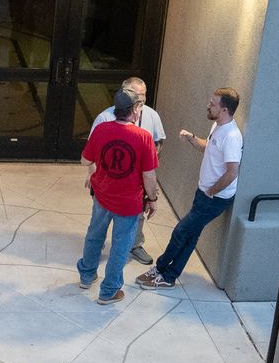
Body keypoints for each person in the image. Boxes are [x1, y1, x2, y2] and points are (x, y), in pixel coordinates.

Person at [137, 87, 244, 291]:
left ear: (224, 110)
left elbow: (232, 172)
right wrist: (191, 138)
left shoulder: (231, 136)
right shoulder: (218, 126)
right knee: (190, 235)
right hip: (204, 192)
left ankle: (161, 270)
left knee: (181, 232)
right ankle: (168, 275)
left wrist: (211, 191)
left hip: (214, 198)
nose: (208, 105)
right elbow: (208, 146)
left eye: (213, 103)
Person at [76, 88, 160, 304]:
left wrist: (100, 165)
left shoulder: (102, 129)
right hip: (128, 203)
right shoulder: (143, 137)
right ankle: (109, 291)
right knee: (120, 246)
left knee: (94, 235)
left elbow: (85, 161)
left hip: (102, 195)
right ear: (134, 110)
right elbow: (149, 176)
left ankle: (86, 276)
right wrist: (153, 199)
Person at [89, 78, 167, 265]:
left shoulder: (152, 115)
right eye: (136, 95)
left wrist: (149, 159)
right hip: (107, 183)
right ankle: (95, 250)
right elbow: (90, 152)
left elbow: (159, 141)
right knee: (100, 221)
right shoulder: (105, 118)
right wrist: (92, 176)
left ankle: (135, 244)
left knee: (136, 219)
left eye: (143, 95)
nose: (141, 100)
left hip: (135, 185)